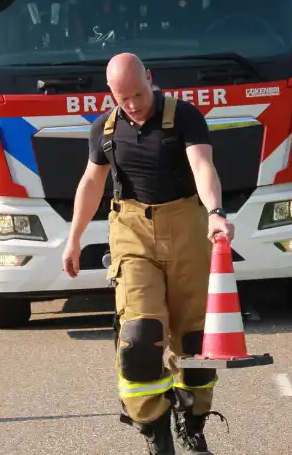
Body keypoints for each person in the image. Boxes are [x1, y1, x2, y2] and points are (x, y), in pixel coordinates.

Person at [62, 52, 235, 454]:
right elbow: (91, 184)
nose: (134, 104)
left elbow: (202, 165)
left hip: (188, 228)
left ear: (150, 79)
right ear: (112, 95)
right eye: (123, 99)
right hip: (132, 234)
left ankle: (192, 421)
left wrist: (215, 213)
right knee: (140, 337)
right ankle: (154, 428)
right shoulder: (104, 131)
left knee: (195, 339)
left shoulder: (185, 116)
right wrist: (74, 238)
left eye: (139, 94)